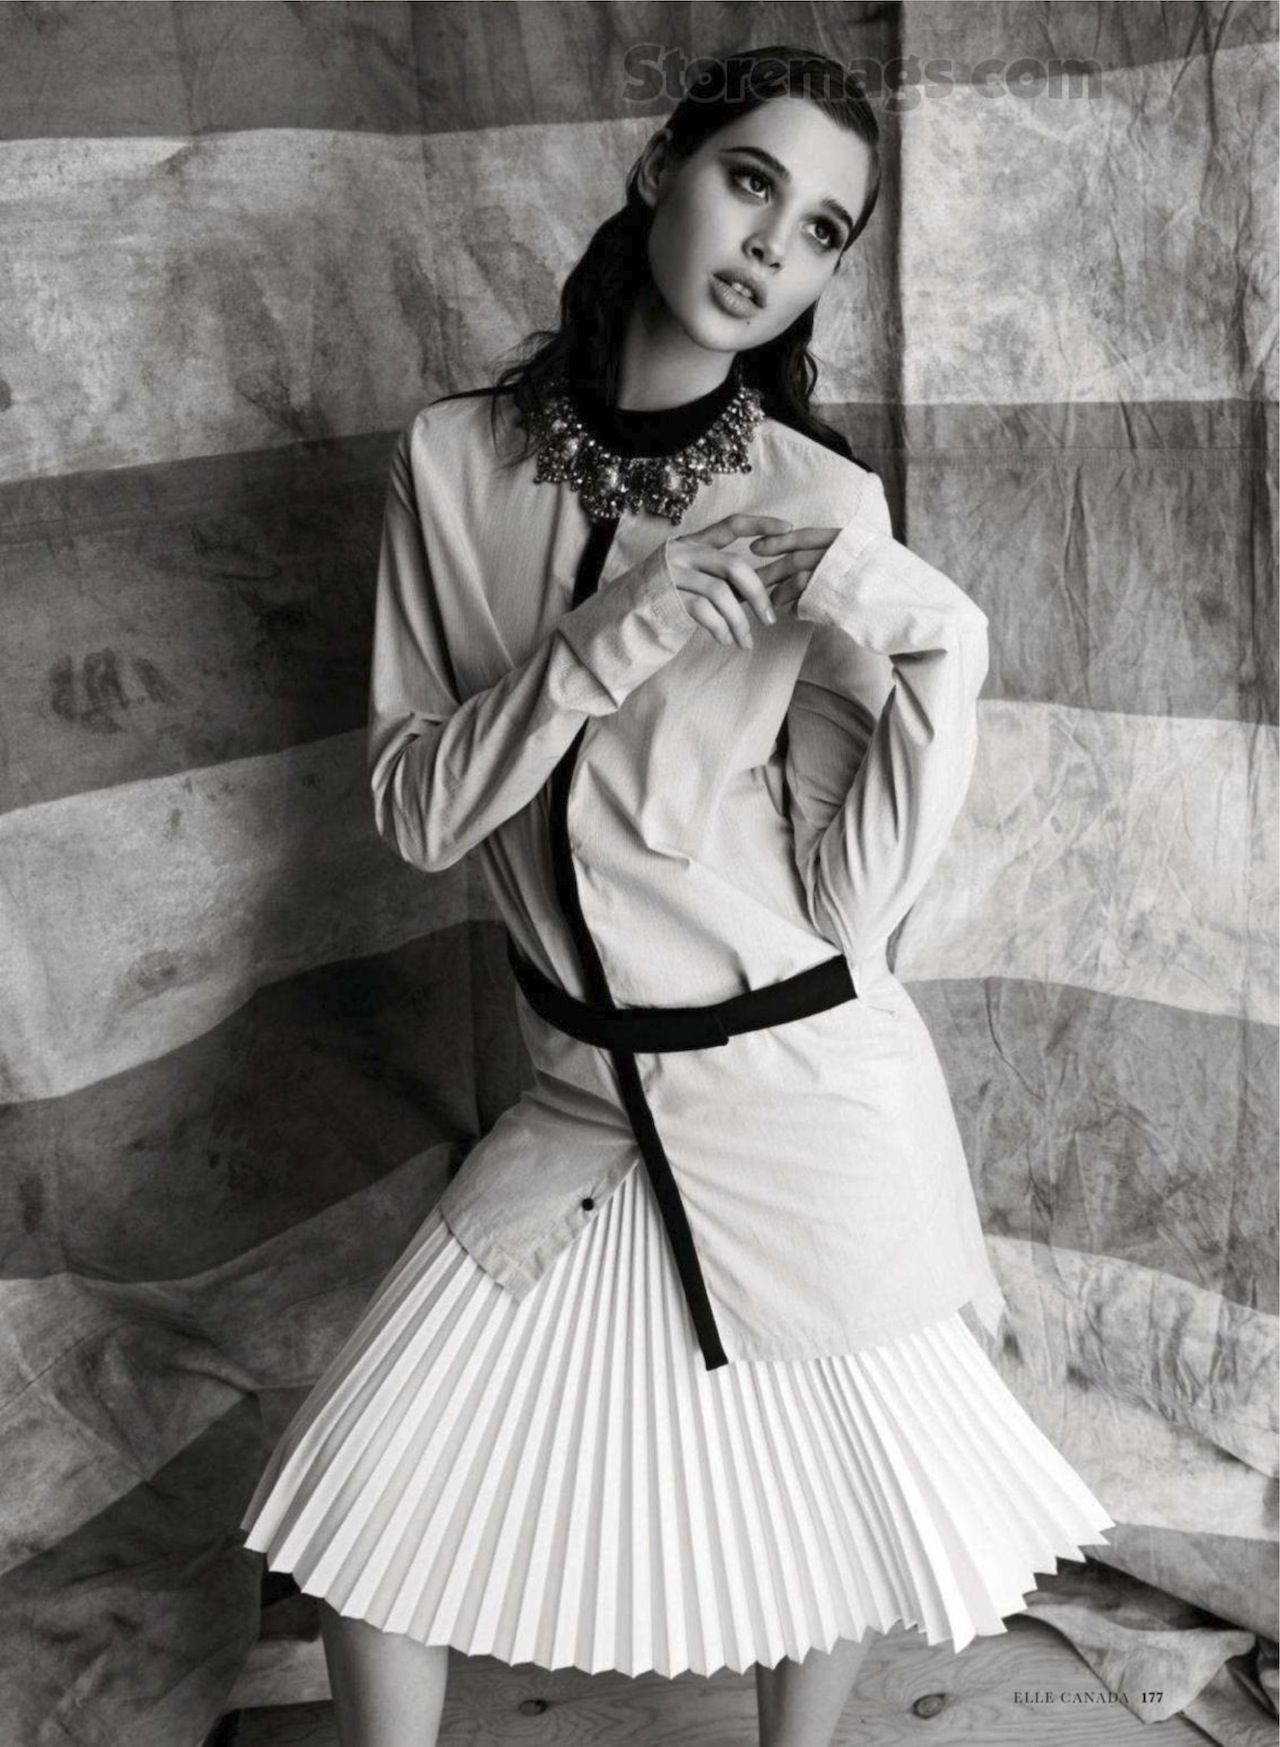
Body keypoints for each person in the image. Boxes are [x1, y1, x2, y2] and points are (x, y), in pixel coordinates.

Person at [238, 45, 1115, 1747]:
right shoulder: (451, 462)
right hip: (580, 1091)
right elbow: (419, 813)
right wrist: (598, 645)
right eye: (751, 179)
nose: (774, 243)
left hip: (798, 1088)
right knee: (361, 1519)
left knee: (828, 1519)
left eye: (824, 228)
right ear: (662, 169)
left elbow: (852, 901)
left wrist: (947, 655)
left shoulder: (817, 502)